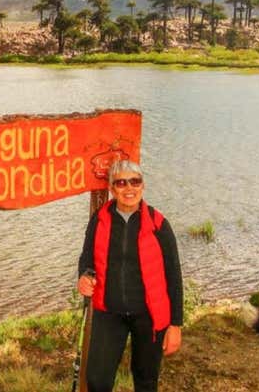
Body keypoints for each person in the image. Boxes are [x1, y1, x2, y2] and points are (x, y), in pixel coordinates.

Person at [77, 160, 183, 392]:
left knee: (145, 381)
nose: (129, 188)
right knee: (97, 380)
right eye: (121, 183)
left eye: (135, 182)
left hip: (149, 315)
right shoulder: (99, 220)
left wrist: (175, 324)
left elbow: (174, 276)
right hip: (109, 312)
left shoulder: (159, 224)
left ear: (143, 186)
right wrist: (84, 277)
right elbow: (87, 259)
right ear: (112, 189)